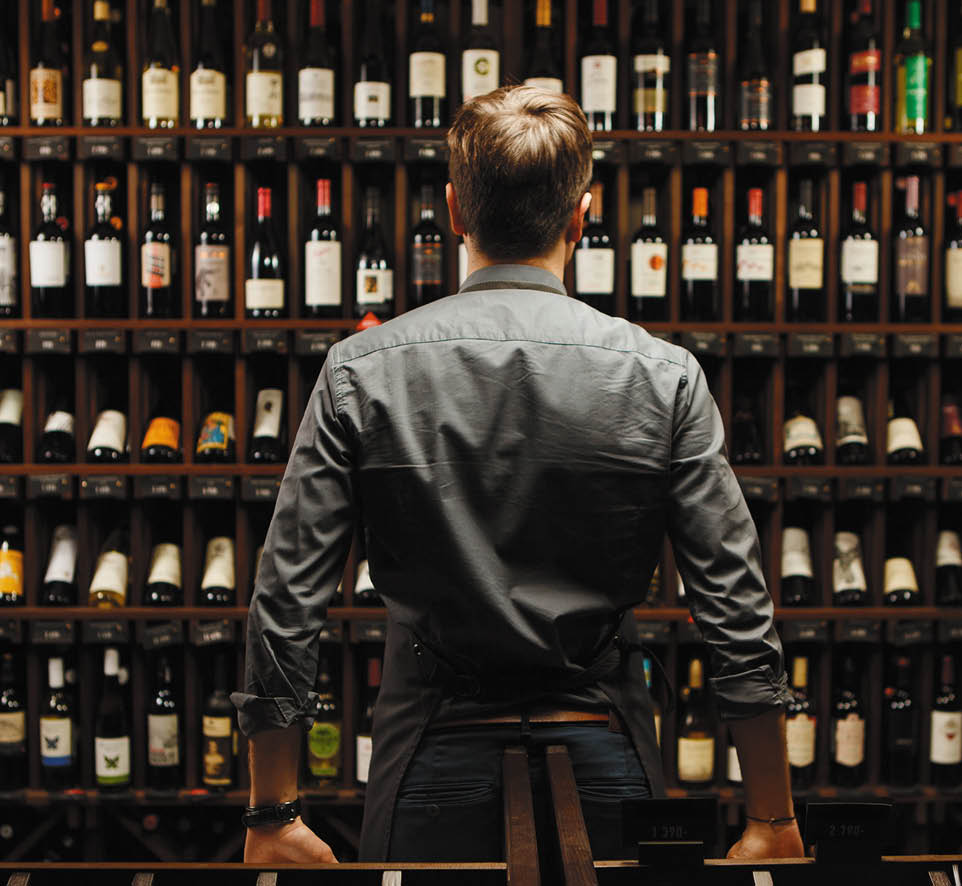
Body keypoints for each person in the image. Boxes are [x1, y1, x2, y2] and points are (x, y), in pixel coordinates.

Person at [236, 85, 802, 865]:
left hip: (429, 761)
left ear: (455, 212)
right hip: (605, 753)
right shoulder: (662, 374)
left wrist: (272, 813)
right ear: (581, 215)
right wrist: (771, 818)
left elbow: (286, 598)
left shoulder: (360, 372)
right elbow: (734, 602)